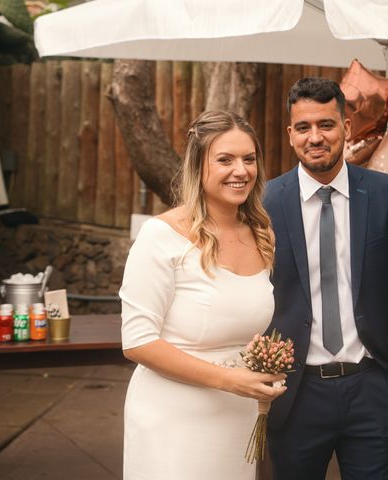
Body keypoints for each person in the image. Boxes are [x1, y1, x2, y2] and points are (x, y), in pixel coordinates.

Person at [264, 77, 388, 479]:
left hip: (372, 388)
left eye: (326, 124)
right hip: (295, 393)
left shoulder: (387, 194)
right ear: (290, 134)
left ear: (346, 128)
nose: (315, 137)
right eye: (303, 127)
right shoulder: (266, 203)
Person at [119, 111, 286, 480]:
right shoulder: (160, 237)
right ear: (198, 165)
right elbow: (137, 342)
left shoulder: (262, 235)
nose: (240, 170)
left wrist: (262, 369)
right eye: (225, 159)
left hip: (235, 416)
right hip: (172, 419)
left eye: (249, 159)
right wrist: (230, 380)